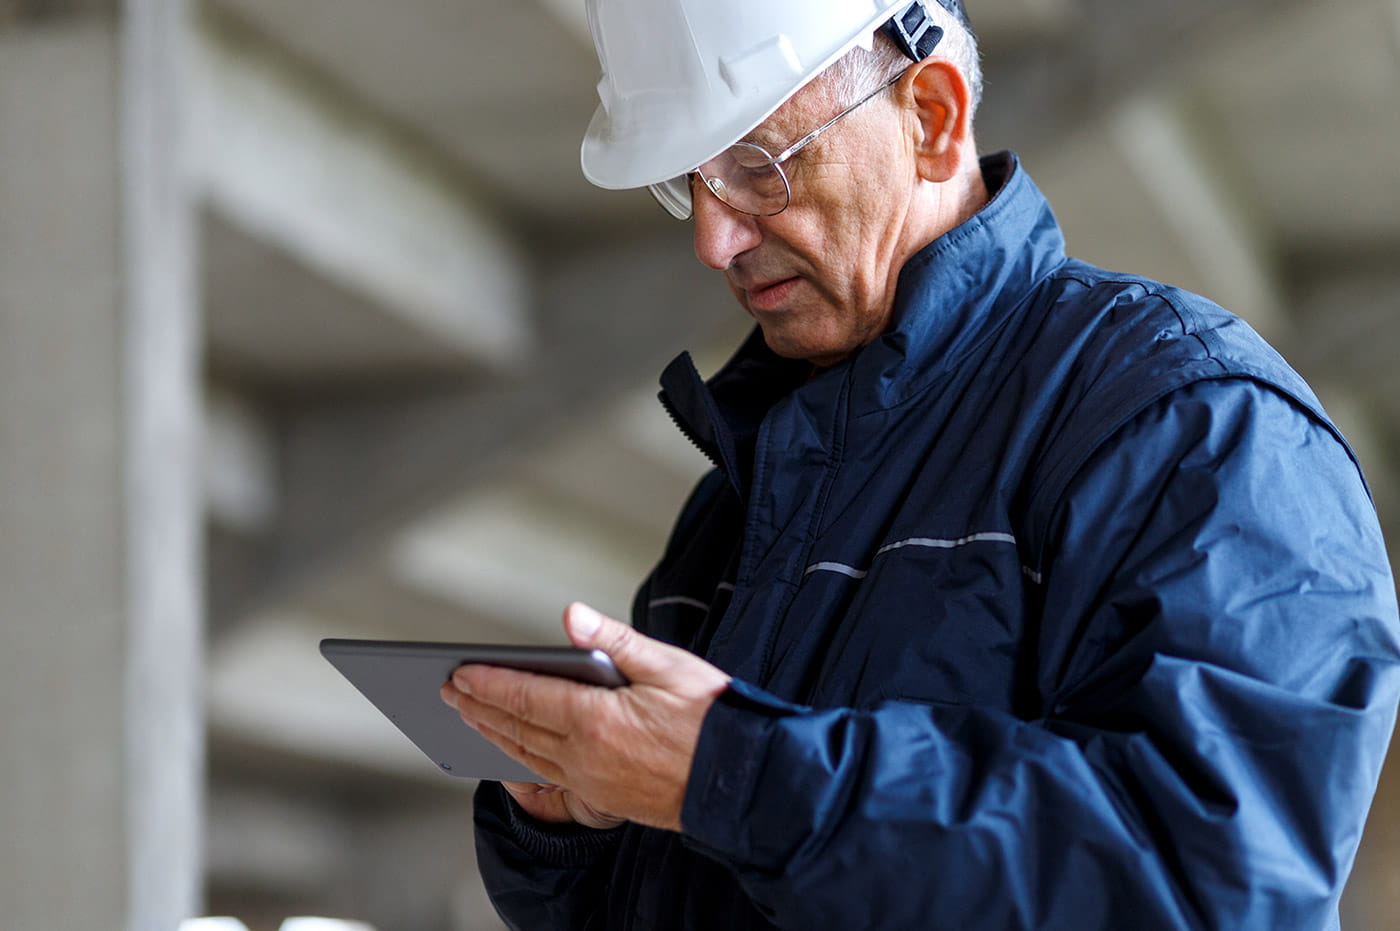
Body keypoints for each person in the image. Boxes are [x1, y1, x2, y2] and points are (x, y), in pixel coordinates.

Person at [439, 0, 1400, 927]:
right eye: (688, 182)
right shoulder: (738, 503)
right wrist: (568, 830)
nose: (712, 238)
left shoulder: (1186, 421)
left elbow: (1218, 887)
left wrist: (734, 776)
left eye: (759, 167)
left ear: (931, 117)